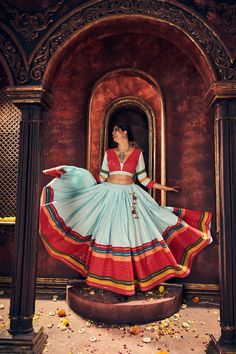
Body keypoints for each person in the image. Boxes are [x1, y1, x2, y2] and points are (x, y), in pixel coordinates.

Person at [40, 123, 212, 296]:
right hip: (109, 195)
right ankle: (108, 280)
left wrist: (165, 188)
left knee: (142, 228)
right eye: (113, 131)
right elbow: (101, 177)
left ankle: (128, 282)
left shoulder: (138, 154)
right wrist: (77, 177)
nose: (113, 134)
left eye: (116, 131)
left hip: (130, 196)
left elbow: (144, 180)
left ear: (125, 132)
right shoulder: (109, 153)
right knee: (110, 235)